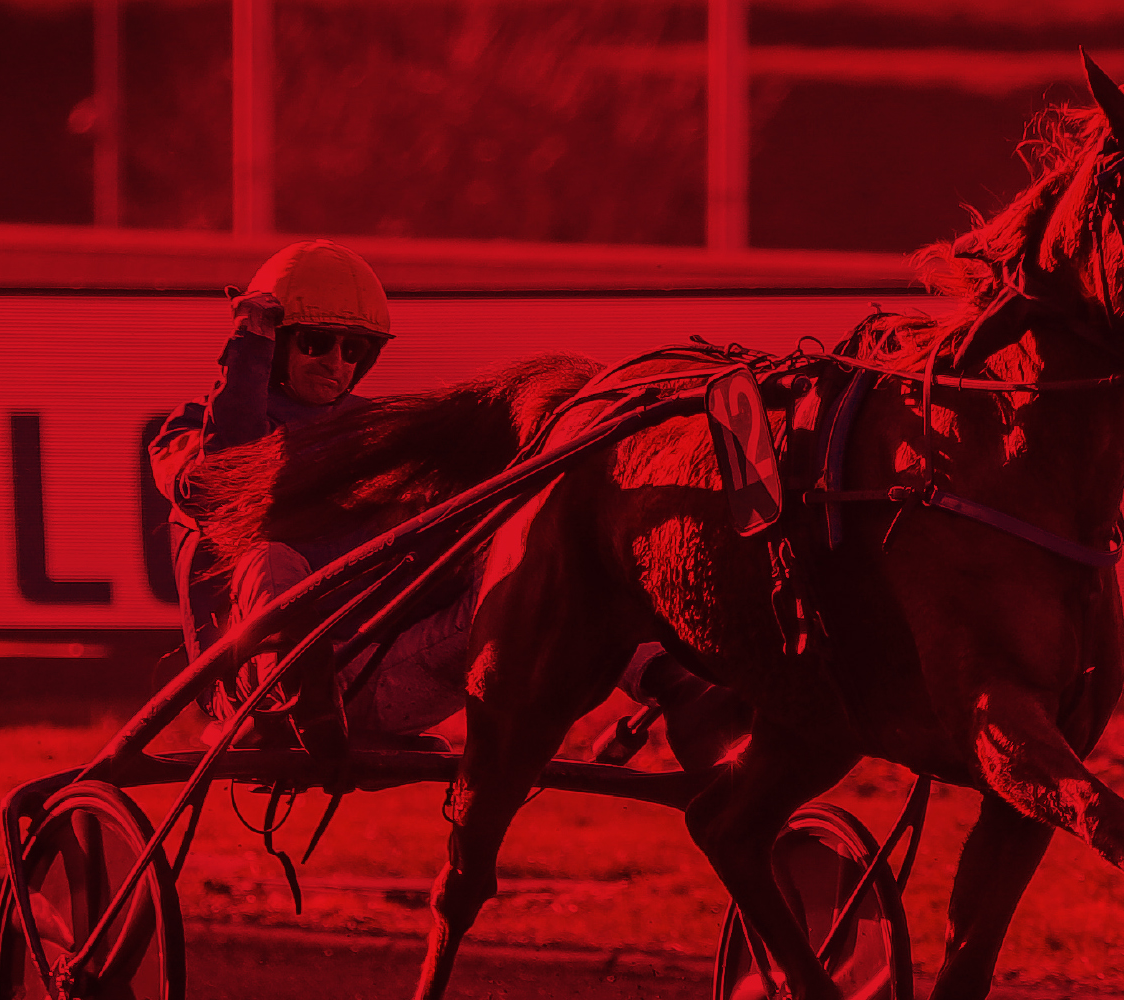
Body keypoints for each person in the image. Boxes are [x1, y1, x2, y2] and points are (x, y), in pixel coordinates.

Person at [151, 239, 745, 763]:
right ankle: (300, 694)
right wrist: (246, 355)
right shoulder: (190, 432)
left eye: (355, 349)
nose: (337, 364)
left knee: (541, 560)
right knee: (269, 555)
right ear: (274, 345)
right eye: (316, 343)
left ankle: (677, 683)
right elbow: (222, 487)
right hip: (259, 692)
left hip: (385, 669)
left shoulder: (377, 429)